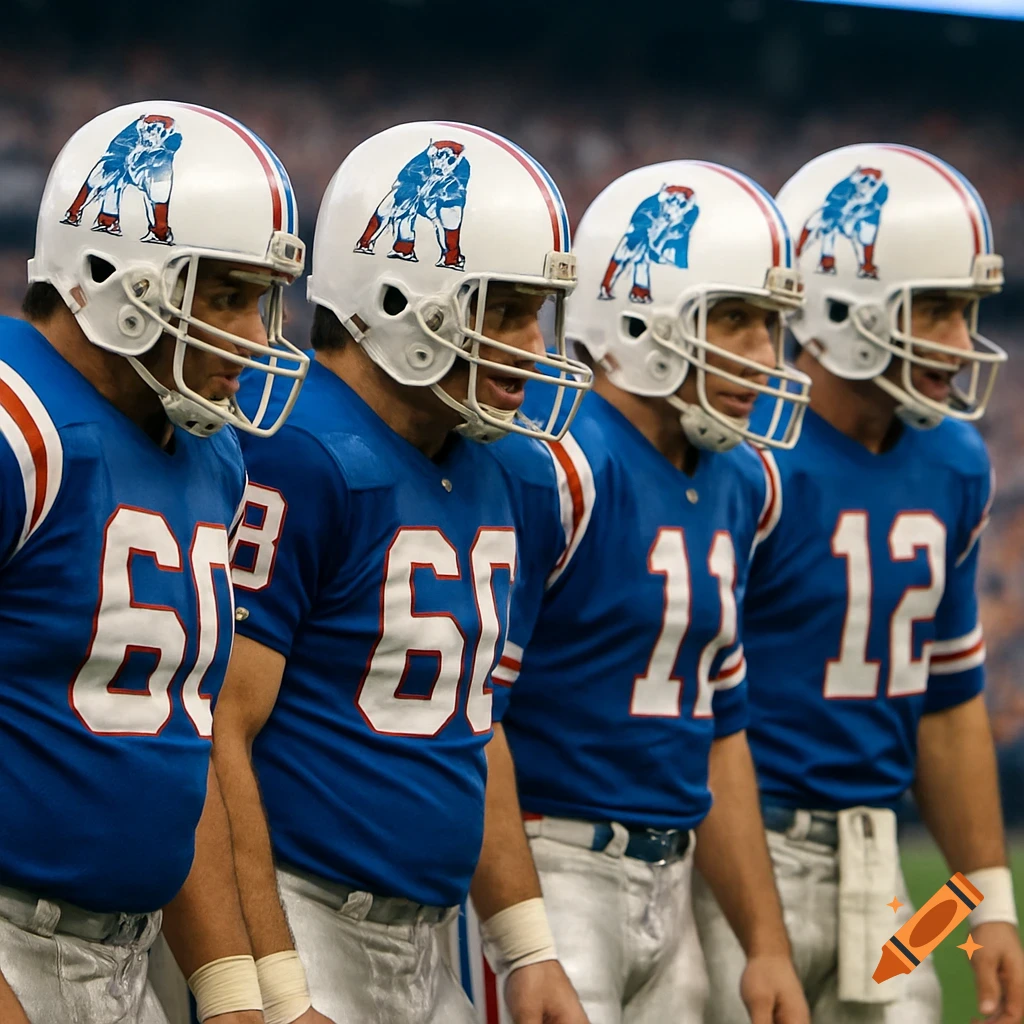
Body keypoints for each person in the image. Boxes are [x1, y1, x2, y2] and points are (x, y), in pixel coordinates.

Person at [214, 121, 594, 1024]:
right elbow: (215, 734)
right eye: (503, 310)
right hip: (305, 916)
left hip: (434, 941)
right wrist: (272, 980)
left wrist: (528, 946)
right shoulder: (298, 453)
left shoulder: (515, 471)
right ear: (397, 298)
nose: (533, 347)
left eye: (536, 313)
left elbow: (474, 721)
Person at [459, 159, 814, 1024]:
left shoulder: (741, 480)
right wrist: (524, 935)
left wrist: (765, 944)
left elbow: (720, 730)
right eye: (733, 320)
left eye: (770, 326)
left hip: (673, 874)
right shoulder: (558, 467)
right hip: (552, 863)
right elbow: (470, 718)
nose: (765, 357)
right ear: (639, 312)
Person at [693, 143, 1024, 1024]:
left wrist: (985, 904)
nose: (962, 343)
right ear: (845, 303)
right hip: (744, 854)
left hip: (883, 868)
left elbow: (949, 700)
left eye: (968, 312)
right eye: (939, 311)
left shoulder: (955, 459)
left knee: (913, 1004)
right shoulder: (745, 457)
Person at [0, 101, 308, 1024]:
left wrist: (230, 990)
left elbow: (174, 746)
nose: (254, 337)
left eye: (258, 300)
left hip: (126, 964)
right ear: (112, 278)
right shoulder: (19, 429)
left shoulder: (211, 454)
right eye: (223, 297)